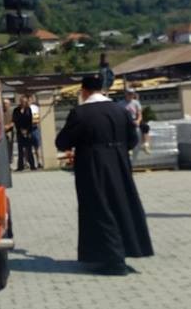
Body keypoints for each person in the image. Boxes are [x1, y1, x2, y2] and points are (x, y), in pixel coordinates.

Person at [55, 73, 154, 275]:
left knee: (100, 207)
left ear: (84, 91)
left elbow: (63, 142)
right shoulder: (120, 110)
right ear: (101, 88)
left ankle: (113, 260)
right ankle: (126, 250)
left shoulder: (80, 113)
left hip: (93, 164)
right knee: (121, 205)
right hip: (119, 163)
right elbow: (133, 139)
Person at [121, 87, 151, 154]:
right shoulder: (121, 104)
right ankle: (129, 147)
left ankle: (145, 144)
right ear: (126, 94)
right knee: (126, 129)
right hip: (126, 120)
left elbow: (139, 114)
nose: (130, 95)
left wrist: (138, 121)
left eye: (132, 94)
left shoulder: (136, 103)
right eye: (129, 94)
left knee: (145, 126)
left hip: (135, 118)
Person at [12, 95, 37, 171]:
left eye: (25, 102)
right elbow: (15, 120)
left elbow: (30, 120)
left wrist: (27, 130)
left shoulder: (28, 110)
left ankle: (32, 165)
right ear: (20, 102)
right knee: (20, 150)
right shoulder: (16, 110)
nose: (23, 103)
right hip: (20, 132)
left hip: (28, 132)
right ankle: (20, 166)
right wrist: (20, 130)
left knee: (29, 149)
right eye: (22, 101)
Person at [29, 94, 43, 169]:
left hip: (34, 129)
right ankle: (28, 163)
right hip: (27, 130)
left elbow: (36, 119)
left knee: (37, 146)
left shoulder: (34, 108)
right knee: (27, 148)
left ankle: (39, 162)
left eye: (30, 99)